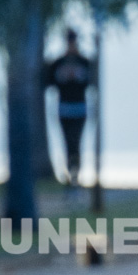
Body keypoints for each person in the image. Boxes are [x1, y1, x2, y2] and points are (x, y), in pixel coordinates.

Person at [43, 29, 94, 187]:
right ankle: (70, 172)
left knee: (76, 141)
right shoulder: (58, 63)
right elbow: (49, 83)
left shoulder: (84, 62)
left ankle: (75, 173)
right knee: (67, 142)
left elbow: (91, 83)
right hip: (64, 108)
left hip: (79, 108)